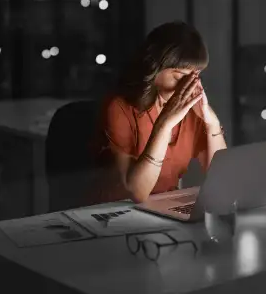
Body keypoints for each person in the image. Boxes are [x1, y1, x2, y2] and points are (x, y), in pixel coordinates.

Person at [90, 21, 227, 204]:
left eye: (196, 75)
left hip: (162, 209)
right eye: (179, 76)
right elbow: (137, 193)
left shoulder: (193, 114)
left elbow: (222, 178)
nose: (189, 85)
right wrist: (165, 124)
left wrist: (212, 123)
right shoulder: (119, 108)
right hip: (116, 213)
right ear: (154, 68)